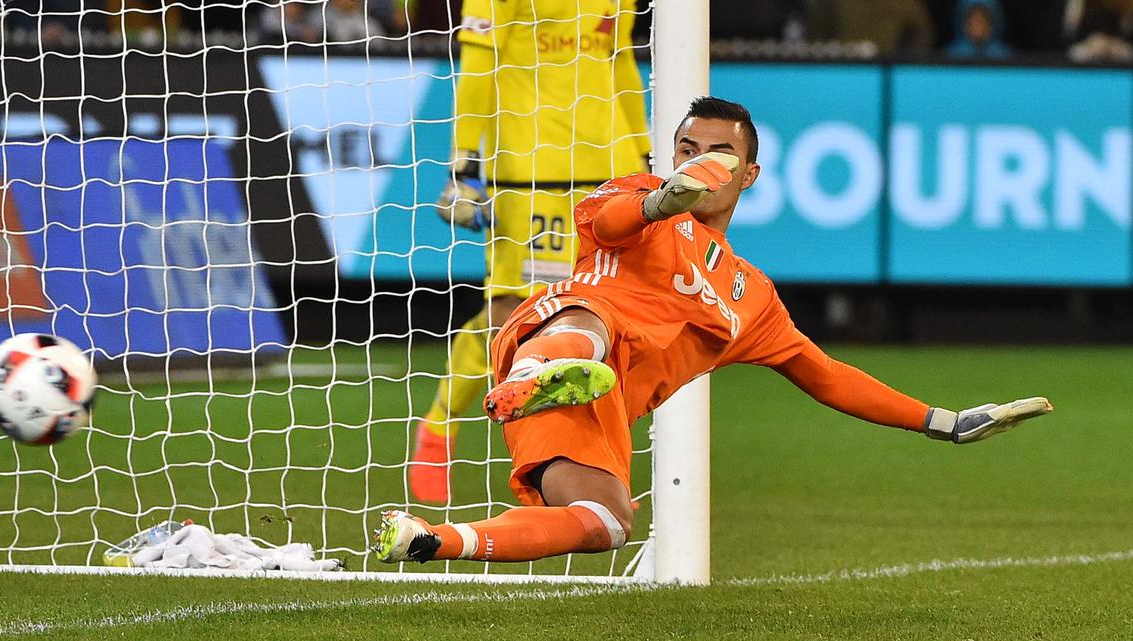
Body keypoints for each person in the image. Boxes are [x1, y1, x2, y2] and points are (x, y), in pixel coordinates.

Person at [373, 96, 1053, 565]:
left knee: (607, 522)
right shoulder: (632, 196)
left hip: (593, 407)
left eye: (719, 155)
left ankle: (434, 539)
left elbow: (827, 376)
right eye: (686, 149)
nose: (699, 163)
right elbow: (607, 225)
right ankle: (534, 374)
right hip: (552, 335)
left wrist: (940, 421)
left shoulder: (751, 296)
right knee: (596, 320)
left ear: (748, 174)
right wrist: (656, 201)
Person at [408, 0, 651, 503]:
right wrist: (464, 162)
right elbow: (478, 65)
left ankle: (565, 458)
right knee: (511, 313)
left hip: (608, 165)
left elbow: (620, 58)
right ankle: (441, 425)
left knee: (598, 313)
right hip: (526, 170)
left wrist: (643, 152)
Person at [809, 0, 935, 54]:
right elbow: (817, 39)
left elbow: (921, 38)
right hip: (841, 73)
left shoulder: (906, 4)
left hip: (887, 74)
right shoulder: (834, 3)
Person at [946, 0, 1012, 57]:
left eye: (983, 20)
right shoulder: (950, 55)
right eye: (972, 20)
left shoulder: (1006, 56)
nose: (977, 25)